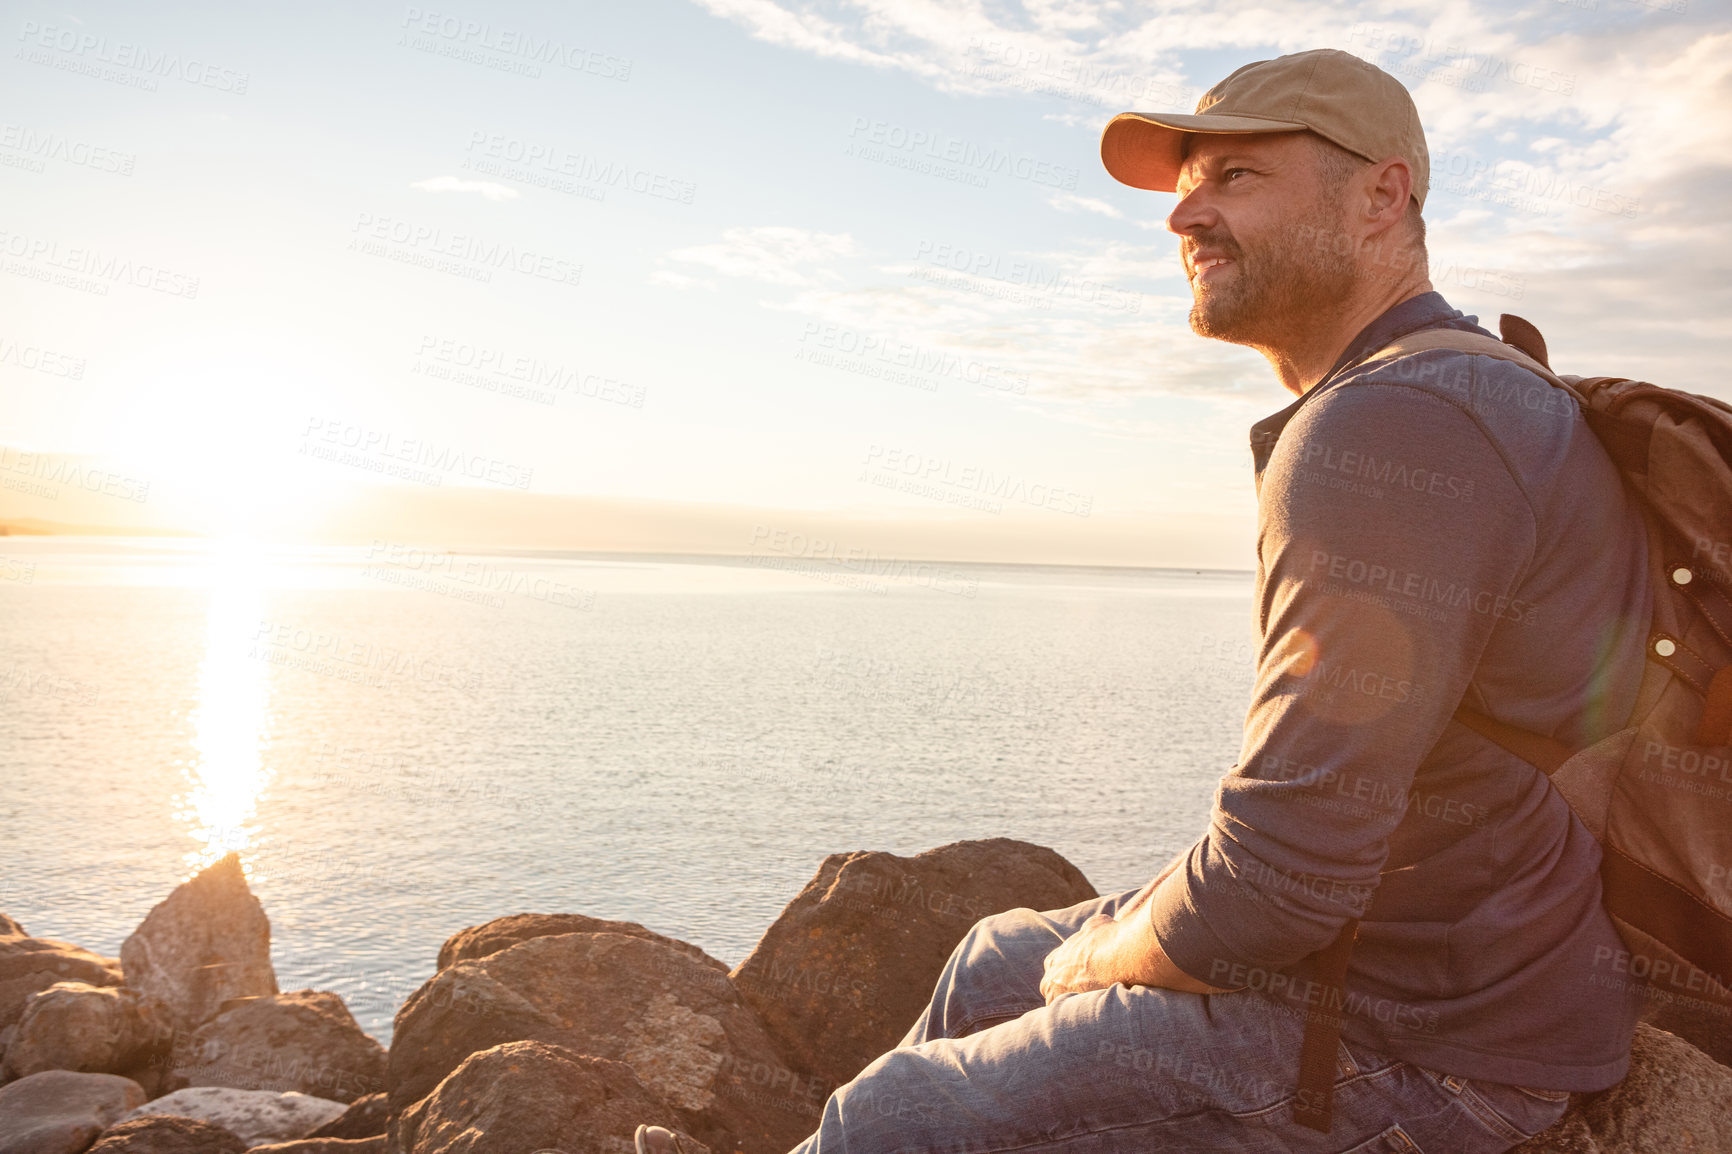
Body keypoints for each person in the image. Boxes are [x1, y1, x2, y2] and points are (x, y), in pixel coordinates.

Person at [639, 47, 1651, 1154]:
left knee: (903, 1114)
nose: (1186, 217)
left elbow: (1278, 879)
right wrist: (1103, 943)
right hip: (1422, 962)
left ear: (1381, 195)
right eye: (1185, 186)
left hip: (1430, 1042)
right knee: (991, 956)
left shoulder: (1389, 428)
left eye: (1235, 179)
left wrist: (1093, 961)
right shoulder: (1465, 379)